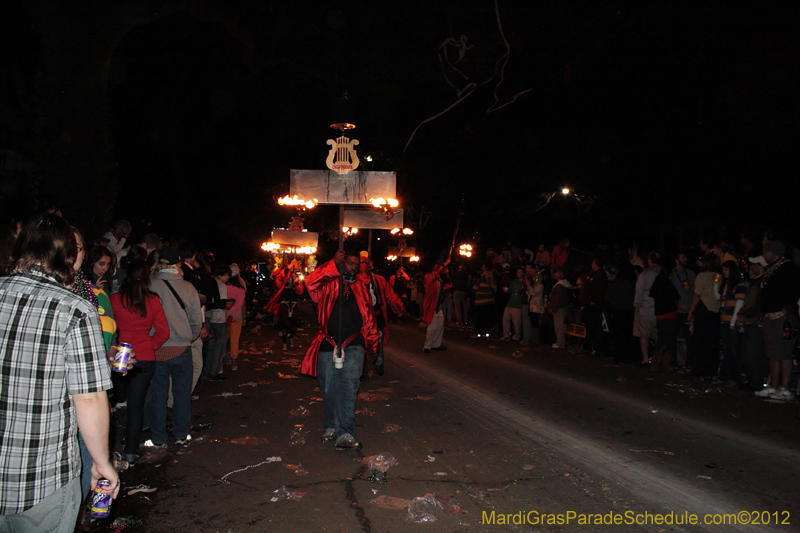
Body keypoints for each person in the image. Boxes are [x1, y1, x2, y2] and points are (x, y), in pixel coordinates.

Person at [0, 213, 119, 530]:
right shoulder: (74, 308)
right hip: (41, 475)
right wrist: (102, 462)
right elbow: (90, 397)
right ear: (68, 254)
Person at [300, 250, 379, 450]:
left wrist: (372, 345)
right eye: (348, 263)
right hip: (328, 345)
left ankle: (345, 432)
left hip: (354, 346)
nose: (352, 267)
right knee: (329, 390)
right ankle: (331, 426)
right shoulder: (327, 286)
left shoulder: (362, 288)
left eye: (355, 264)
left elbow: (369, 318)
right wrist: (332, 263)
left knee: (349, 390)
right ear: (342, 265)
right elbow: (309, 283)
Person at [110, 260, 170, 463]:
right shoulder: (152, 300)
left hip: (121, 354)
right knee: (136, 407)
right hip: (144, 356)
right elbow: (163, 331)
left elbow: (110, 329)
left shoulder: (115, 299)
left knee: (113, 403)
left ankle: (107, 449)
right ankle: (130, 452)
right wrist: (149, 345)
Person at [147, 248, 202, 447]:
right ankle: (181, 433)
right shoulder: (188, 287)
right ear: (178, 264)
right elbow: (196, 320)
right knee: (181, 394)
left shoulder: (148, 285)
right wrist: (190, 336)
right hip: (181, 347)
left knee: (158, 395)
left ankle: (159, 436)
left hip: (155, 349)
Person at [754, 241, 800, 401]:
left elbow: (794, 290)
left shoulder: (788, 268)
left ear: (775, 252)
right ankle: (773, 385)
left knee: (784, 353)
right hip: (770, 316)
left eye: (766, 252)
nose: (764, 255)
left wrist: (786, 308)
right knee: (772, 352)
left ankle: (785, 388)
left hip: (783, 317)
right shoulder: (772, 269)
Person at [361, 260, 404, 377]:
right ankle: (361, 370)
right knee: (360, 344)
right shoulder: (356, 280)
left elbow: (390, 294)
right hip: (361, 318)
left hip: (377, 316)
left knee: (378, 341)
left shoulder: (379, 280)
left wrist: (398, 306)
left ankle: (378, 362)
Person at [688, 254, 722, 378]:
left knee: (700, 341)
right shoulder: (719, 276)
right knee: (712, 342)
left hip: (703, 309)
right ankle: (711, 370)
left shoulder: (702, 276)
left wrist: (691, 311)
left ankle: (699, 370)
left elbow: (697, 295)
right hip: (715, 311)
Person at [201, 264, 234, 381]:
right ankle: (215, 371)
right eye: (227, 276)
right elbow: (222, 303)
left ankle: (206, 370)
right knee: (219, 347)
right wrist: (228, 304)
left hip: (209, 317)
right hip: (219, 318)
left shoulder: (209, 282)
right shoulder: (222, 286)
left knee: (210, 346)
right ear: (224, 275)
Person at [633, 252, 662, 365]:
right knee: (658, 336)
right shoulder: (663, 273)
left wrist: (636, 306)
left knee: (644, 335)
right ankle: (656, 358)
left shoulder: (645, 274)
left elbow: (639, 292)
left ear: (650, 260)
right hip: (660, 310)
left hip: (645, 309)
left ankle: (646, 358)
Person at [422, 257, 452, 353]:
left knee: (439, 326)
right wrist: (444, 264)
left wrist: (447, 275)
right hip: (431, 306)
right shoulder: (428, 277)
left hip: (438, 306)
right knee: (432, 327)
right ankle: (427, 346)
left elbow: (448, 287)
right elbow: (433, 275)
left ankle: (436, 344)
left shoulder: (438, 280)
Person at [226, 264, 247, 369]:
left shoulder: (224, 287)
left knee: (223, 340)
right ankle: (234, 362)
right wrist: (244, 318)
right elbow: (243, 306)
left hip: (225, 316)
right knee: (234, 340)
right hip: (237, 316)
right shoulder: (241, 289)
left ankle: (220, 362)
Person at [549, 267, 572, 349]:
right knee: (559, 325)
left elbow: (558, 298)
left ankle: (560, 343)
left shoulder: (560, 285)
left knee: (559, 326)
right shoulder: (563, 284)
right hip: (561, 307)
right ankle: (559, 342)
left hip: (559, 308)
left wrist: (554, 307)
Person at [502, 267, 526, 341]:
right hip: (510, 303)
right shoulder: (514, 282)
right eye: (517, 272)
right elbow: (511, 291)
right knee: (505, 319)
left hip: (517, 304)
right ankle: (506, 335)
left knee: (516, 321)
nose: (518, 274)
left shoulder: (525, 282)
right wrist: (506, 290)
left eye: (519, 272)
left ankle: (517, 335)